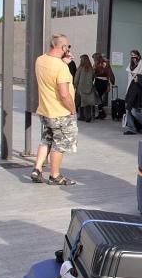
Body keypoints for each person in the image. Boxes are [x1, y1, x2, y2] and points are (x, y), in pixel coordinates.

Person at [30, 34, 78, 186]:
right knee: (60, 144)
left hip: (45, 110)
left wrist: (63, 62)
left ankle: (37, 169)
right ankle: (55, 175)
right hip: (60, 112)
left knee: (46, 139)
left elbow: (50, 73)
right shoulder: (60, 67)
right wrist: (72, 109)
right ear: (63, 48)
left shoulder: (40, 60)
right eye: (68, 46)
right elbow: (64, 94)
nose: (69, 49)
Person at [122, 49, 142, 134]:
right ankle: (132, 128)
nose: (133, 58)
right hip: (131, 90)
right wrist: (127, 92)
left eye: (134, 56)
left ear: (138, 56)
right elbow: (129, 80)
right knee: (128, 109)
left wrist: (138, 79)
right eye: (131, 56)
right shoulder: (130, 66)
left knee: (133, 111)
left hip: (139, 92)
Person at [74, 54, 98, 122]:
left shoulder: (80, 68)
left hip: (80, 88)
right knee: (87, 103)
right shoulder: (91, 68)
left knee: (81, 102)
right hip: (89, 88)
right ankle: (88, 116)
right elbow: (93, 77)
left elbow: (76, 78)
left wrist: (74, 86)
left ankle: (82, 116)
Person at [92, 53, 115, 119]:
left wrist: (93, 77)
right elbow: (110, 73)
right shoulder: (105, 63)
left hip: (99, 82)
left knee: (98, 98)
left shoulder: (98, 64)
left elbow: (96, 73)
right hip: (104, 82)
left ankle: (102, 113)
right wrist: (111, 81)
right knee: (99, 97)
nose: (93, 60)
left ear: (97, 58)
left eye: (94, 58)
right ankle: (101, 112)